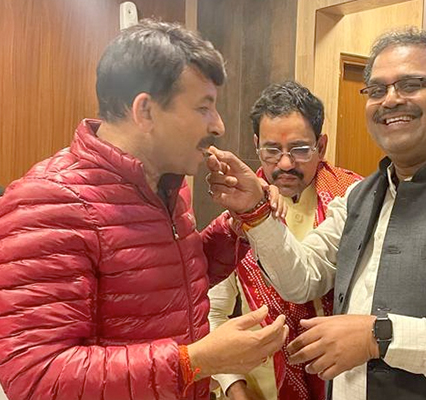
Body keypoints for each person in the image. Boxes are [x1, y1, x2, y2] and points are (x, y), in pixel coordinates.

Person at [205, 28, 426, 400]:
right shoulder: (359, 196)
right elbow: (302, 279)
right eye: (376, 89)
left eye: (410, 84)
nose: (390, 100)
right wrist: (255, 210)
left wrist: (380, 337)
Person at [0, 20, 288, 400]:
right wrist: (194, 362)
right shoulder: (48, 200)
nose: (218, 125)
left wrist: (238, 223)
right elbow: (37, 376)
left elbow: (165, 283)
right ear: (145, 111)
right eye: (204, 108)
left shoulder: (168, 186)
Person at [206, 81, 362, 400]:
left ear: (321, 145)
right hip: (257, 388)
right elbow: (212, 312)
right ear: (256, 145)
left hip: (342, 383)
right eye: (272, 150)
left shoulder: (355, 202)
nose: (286, 163)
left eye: (300, 150)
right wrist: (234, 386)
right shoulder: (237, 214)